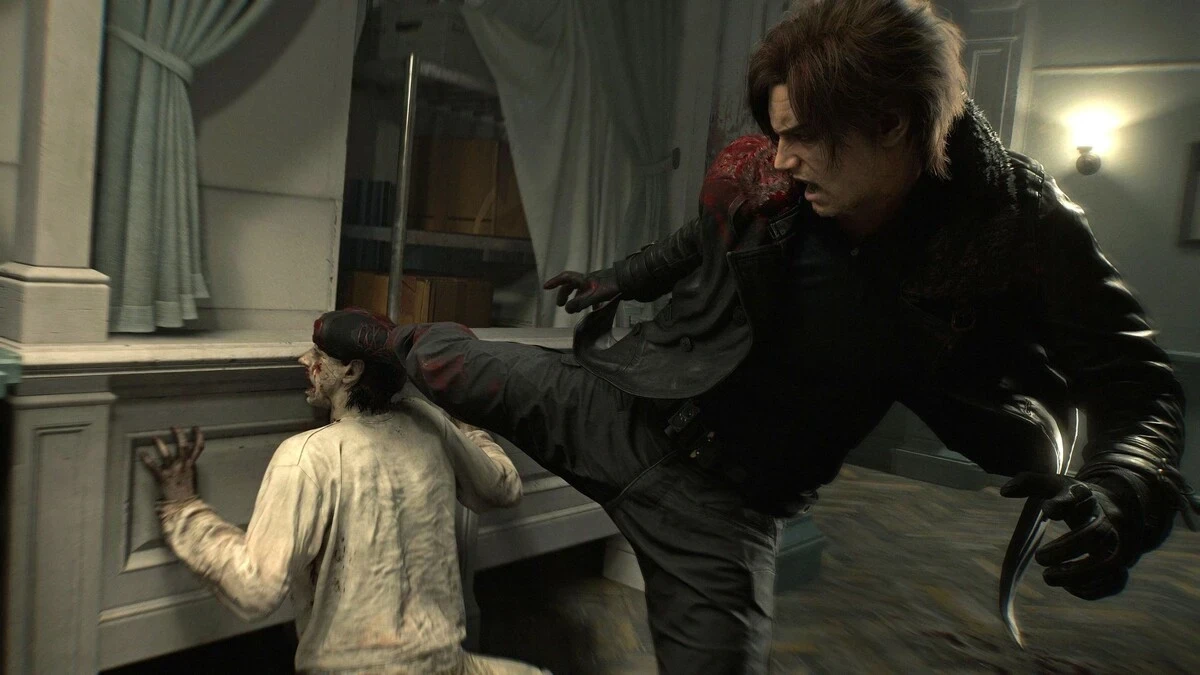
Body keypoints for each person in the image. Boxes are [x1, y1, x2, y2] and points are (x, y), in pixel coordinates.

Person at [317, 0, 1196, 672]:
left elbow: (1136, 382)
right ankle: (370, 340)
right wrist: (617, 279)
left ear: (892, 125)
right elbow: (698, 239)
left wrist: (1125, 487)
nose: (780, 159)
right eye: (777, 135)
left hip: (723, 516)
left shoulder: (1020, 224)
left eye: (803, 139)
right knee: (447, 358)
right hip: (624, 407)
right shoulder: (775, 176)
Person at [138, 314, 548, 675]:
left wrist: (184, 510)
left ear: (351, 372)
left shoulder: (305, 456)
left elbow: (254, 590)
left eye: (318, 355)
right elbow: (503, 487)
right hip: (443, 665)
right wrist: (471, 428)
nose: (304, 361)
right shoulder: (427, 421)